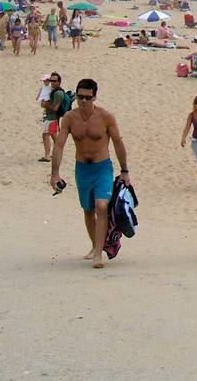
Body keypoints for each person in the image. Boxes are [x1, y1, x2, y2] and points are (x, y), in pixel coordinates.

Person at [50, 78, 130, 268]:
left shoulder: (106, 117)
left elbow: (118, 142)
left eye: (87, 97)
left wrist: (124, 170)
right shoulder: (70, 117)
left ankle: (98, 256)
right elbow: (59, 144)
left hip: (102, 167)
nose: (84, 101)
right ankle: (95, 246)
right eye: (80, 97)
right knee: (88, 210)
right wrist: (55, 173)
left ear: (94, 97)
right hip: (82, 169)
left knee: (102, 206)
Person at [40, 72, 65, 162]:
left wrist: (45, 105)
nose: (52, 82)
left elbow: (55, 108)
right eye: (51, 80)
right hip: (53, 118)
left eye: (54, 81)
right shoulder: (55, 91)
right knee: (54, 136)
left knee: (45, 135)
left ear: (59, 82)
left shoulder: (58, 93)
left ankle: (47, 156)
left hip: (52, 118)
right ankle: (57, 153)